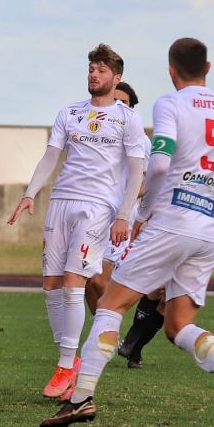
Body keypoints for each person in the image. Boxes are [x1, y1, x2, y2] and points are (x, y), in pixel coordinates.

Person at [40, 38, 214, 427]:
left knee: (110, 302)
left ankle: (81, 398)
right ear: (207, 68)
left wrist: (142, 213)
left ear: (171, 70)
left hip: (172, 222)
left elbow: (157, 166)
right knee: (178, 325)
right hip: (208, 231)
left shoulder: (170, 104)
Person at [7, 45, 145, 400]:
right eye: (91, 68)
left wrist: (124, 214)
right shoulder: (69, 113)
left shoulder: (127, 119)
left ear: (116, 78)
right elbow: (50, 157)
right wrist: (30, 193)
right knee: (51, 283)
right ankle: (67, 361)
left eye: (101, 70)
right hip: (61, 203)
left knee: (74, 282)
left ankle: (67, 364)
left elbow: (135, 172)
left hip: (97, 207)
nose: (93, 74)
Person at [117, 182, 214, 369]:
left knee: (166, 298)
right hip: (183, 221)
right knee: (160, 290)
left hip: (211, 222)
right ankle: (133, 342)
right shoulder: (188, 157)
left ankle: (135, 346)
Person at [84, 82, 151, 316]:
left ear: (132, 107)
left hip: (122, 219)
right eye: (116, 102)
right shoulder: (96, 135)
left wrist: (125, 196)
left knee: (100, 281)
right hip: (94, 214)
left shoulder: (142, 142)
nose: (119, 107)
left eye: (124, 102)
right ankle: (102, 329)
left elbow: (149, 183)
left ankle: (106, 327)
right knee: (86, 279)